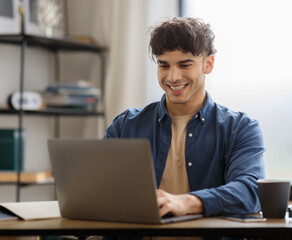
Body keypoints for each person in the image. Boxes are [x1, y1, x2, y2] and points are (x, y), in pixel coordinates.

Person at [104, 17, 265, 218]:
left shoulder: (240, 128)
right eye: (163, 65)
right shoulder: (125, 126)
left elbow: (251, 190)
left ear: (208, 64)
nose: (173, 77)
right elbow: (100, 189)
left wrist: (188, 202)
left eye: (184, 65)